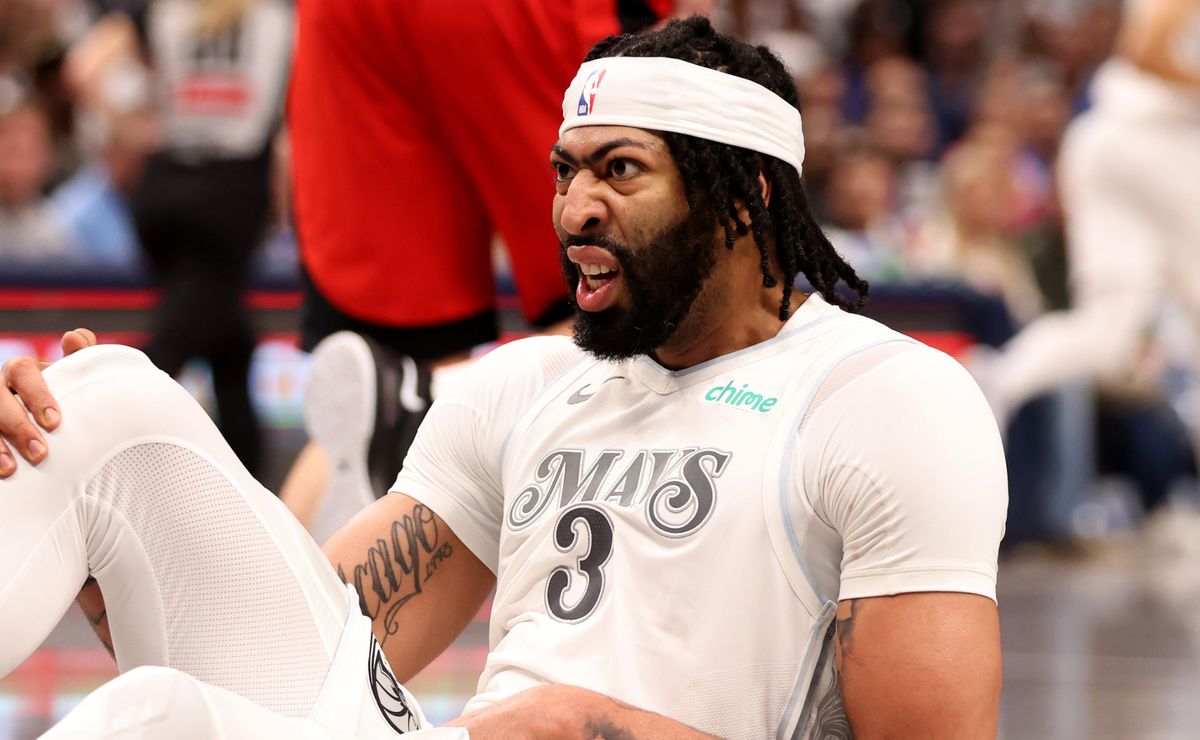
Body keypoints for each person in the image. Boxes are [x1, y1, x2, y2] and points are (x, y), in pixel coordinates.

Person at [0, 18, 1006, 739]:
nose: (574, 208)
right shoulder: (525, 383)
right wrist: (134, 558)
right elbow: (309, 648)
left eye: (620, 170)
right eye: (566, 171)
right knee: (109, 406)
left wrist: (590, 724)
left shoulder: (885, 399)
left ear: (742, 196)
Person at [281, 0, 687, 537]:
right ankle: (431, 400)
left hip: (347, 18)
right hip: (519, 15)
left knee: (375, 383)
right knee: (630, 297)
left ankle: (270, 588)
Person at [972, 0, 1200, 428]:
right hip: (1152, 142)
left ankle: (998, 380)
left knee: (1109, 328)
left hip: (1122, 140)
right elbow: (1148, 48)